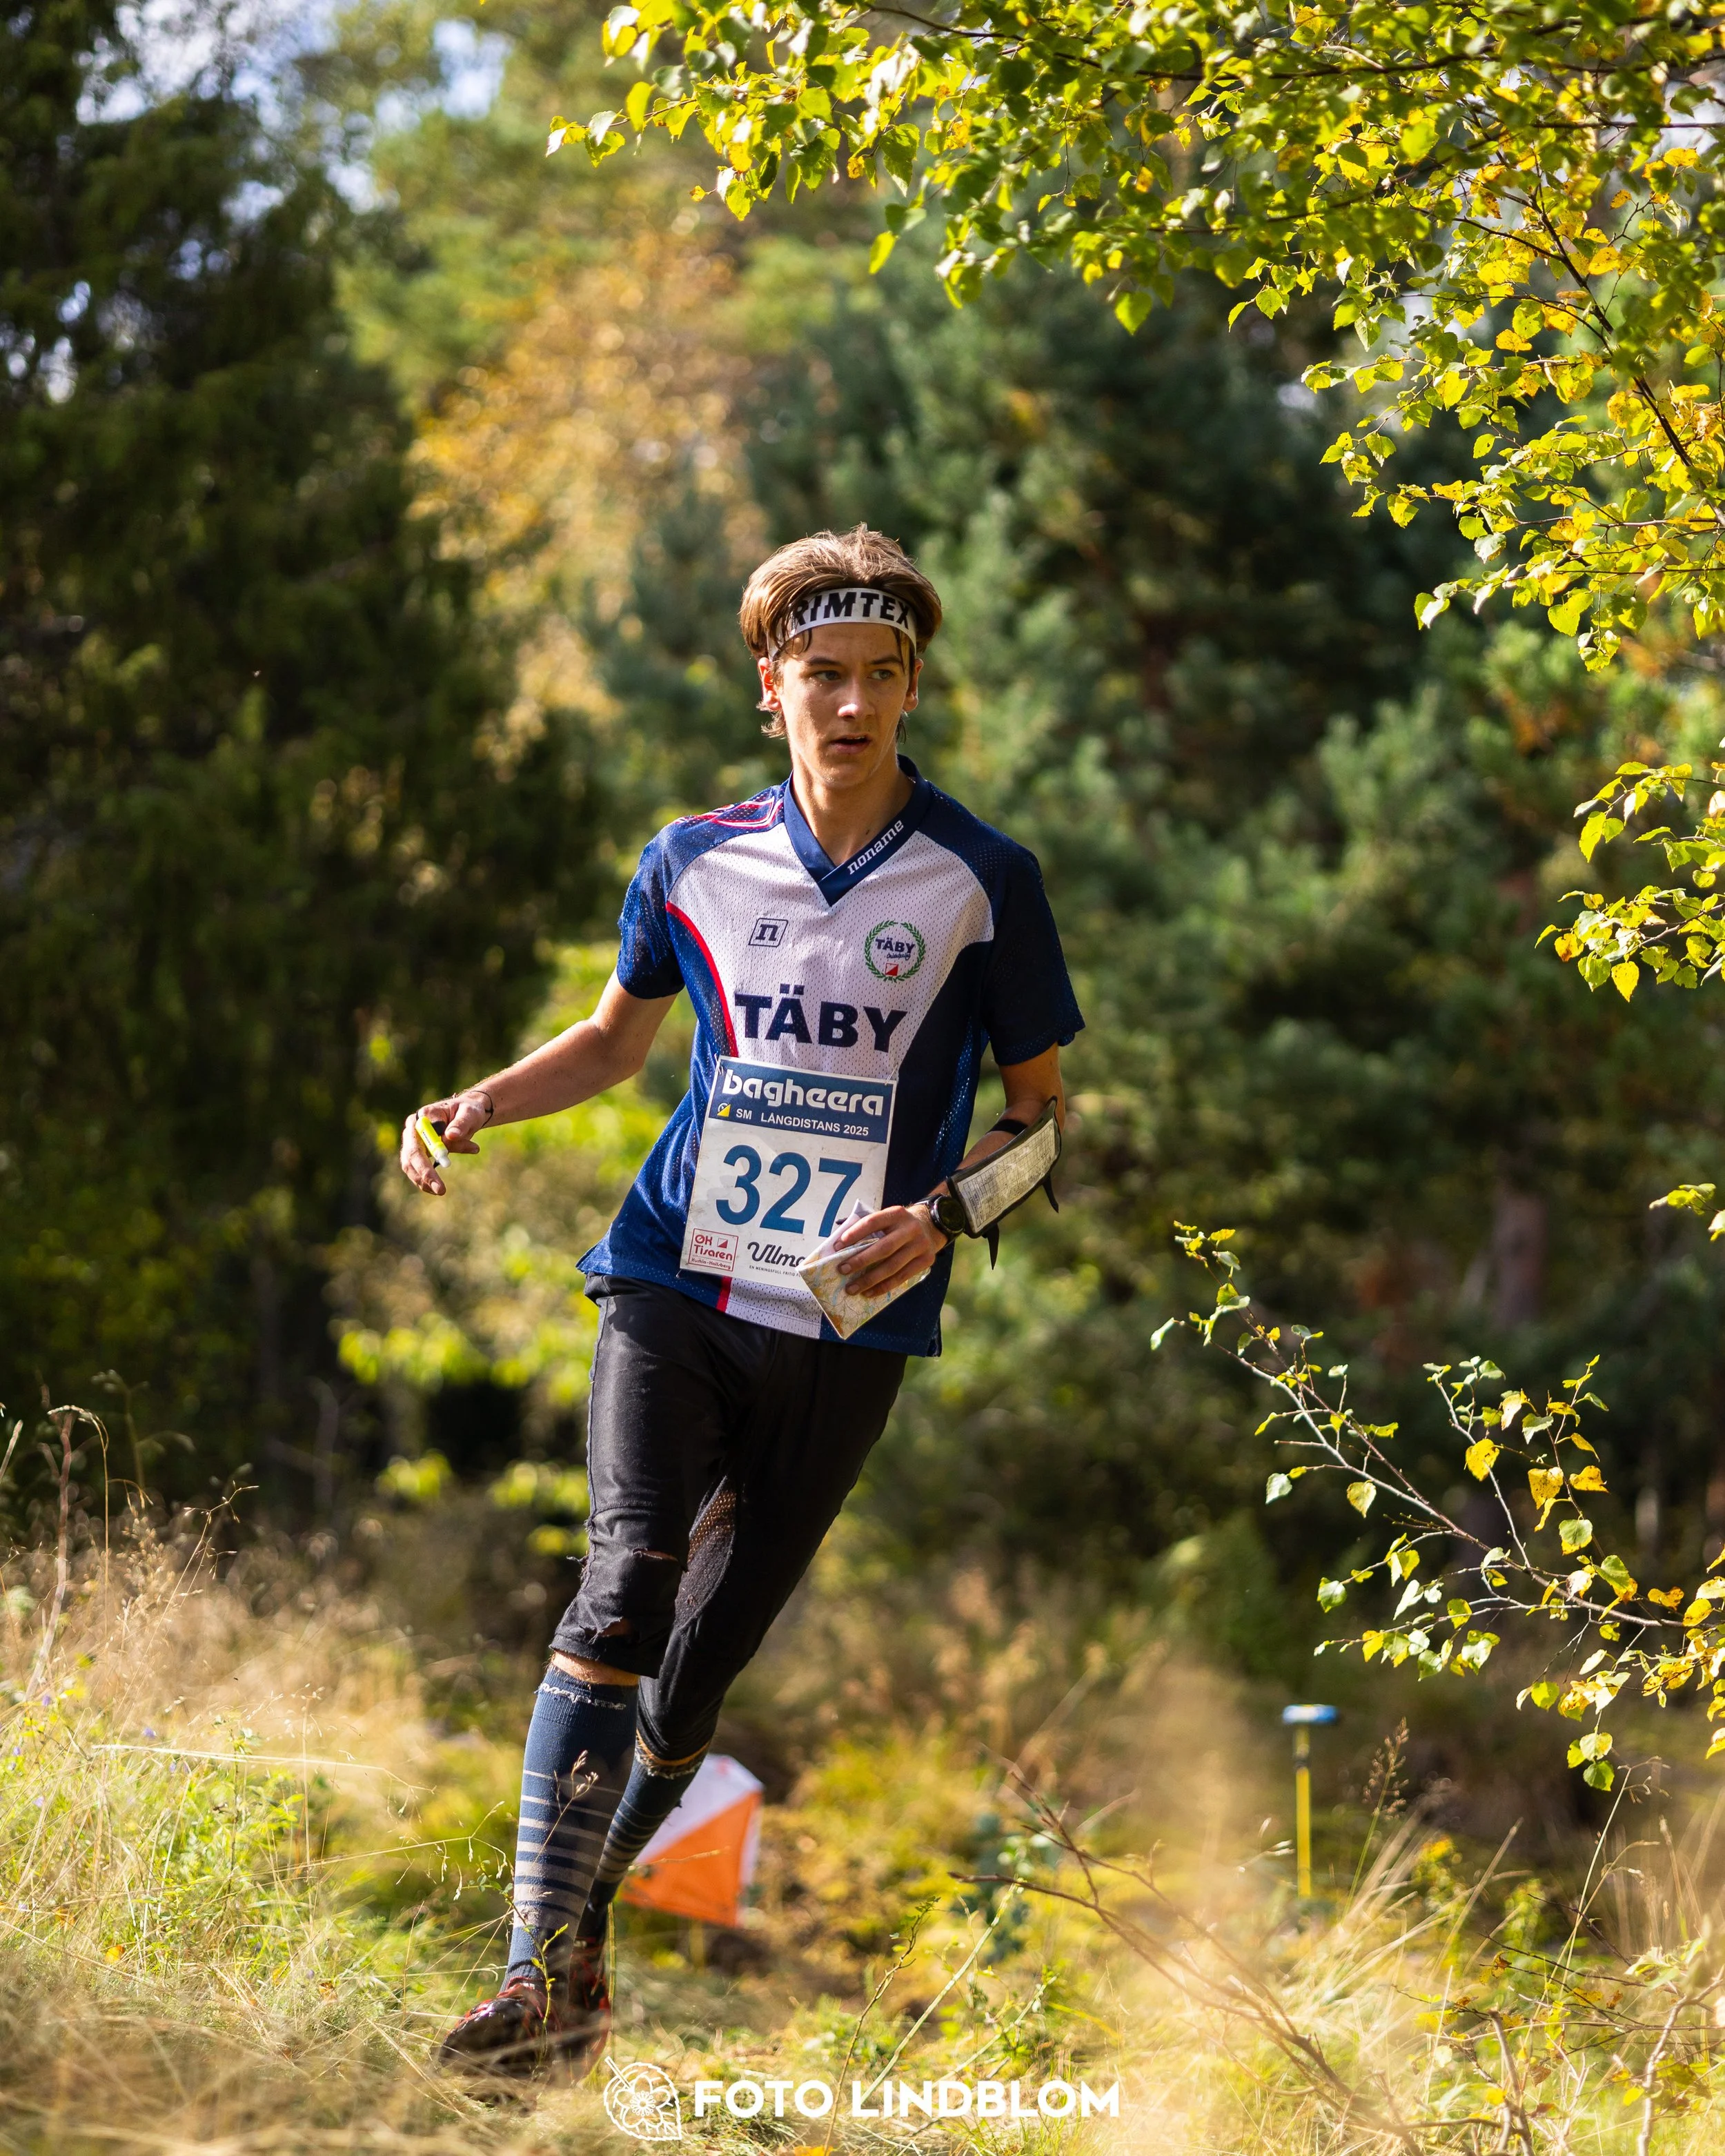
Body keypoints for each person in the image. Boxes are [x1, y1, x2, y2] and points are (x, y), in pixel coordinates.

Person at [404, 524, 1083, 2074]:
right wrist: (476, 1105)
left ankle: (581, 1944)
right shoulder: (691, 856)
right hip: (673, 1280)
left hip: (847, 1322)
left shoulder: (983, 881)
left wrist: (943, 1211)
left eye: (880, 676)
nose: (850, 703)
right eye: (821, 673)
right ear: (770, 685)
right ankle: (529, 1970)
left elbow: (1043, 1122)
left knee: (695, 1674)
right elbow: (611, 1039)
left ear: (910, 689)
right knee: (621, 1584)